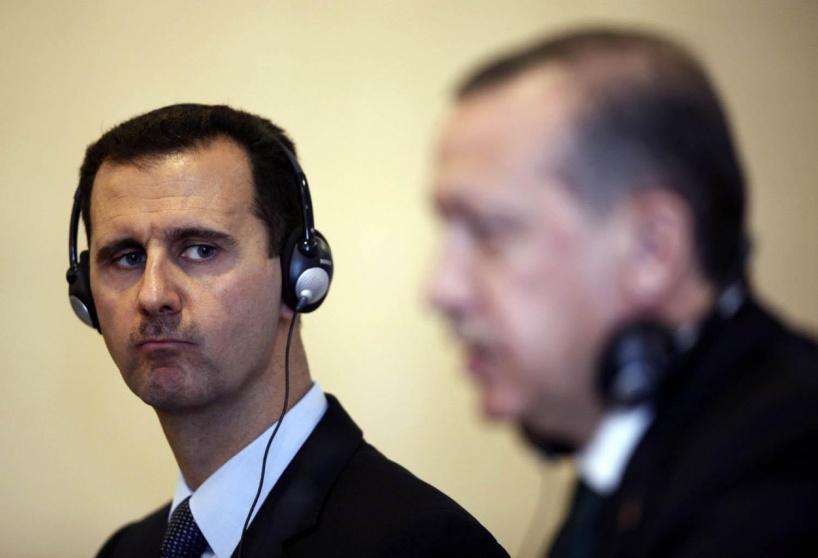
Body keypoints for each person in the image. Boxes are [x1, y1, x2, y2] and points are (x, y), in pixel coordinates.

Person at [428, 27, 818, 557]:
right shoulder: (636, 469)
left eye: (489, 231)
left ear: (652, 249)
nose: (441, 290)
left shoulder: (782, 474)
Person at [67, 103, 508, 557]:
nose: (153, 294)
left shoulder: (426, 545)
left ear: (298, 277)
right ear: (86, 294)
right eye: (127, 258)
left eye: (200, 250)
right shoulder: (124, 551)